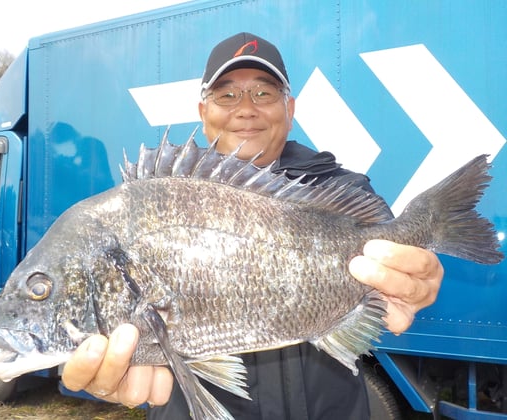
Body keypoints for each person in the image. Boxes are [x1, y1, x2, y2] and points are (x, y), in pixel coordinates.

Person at [61, 33, 444, 418]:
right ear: (203, 112)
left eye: (264, 93)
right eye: (227, 95)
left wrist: (412, 280)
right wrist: (115, 359)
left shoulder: (341, 191)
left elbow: (394, 266)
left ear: (289, 109)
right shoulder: (152, 202)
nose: (246, 109)